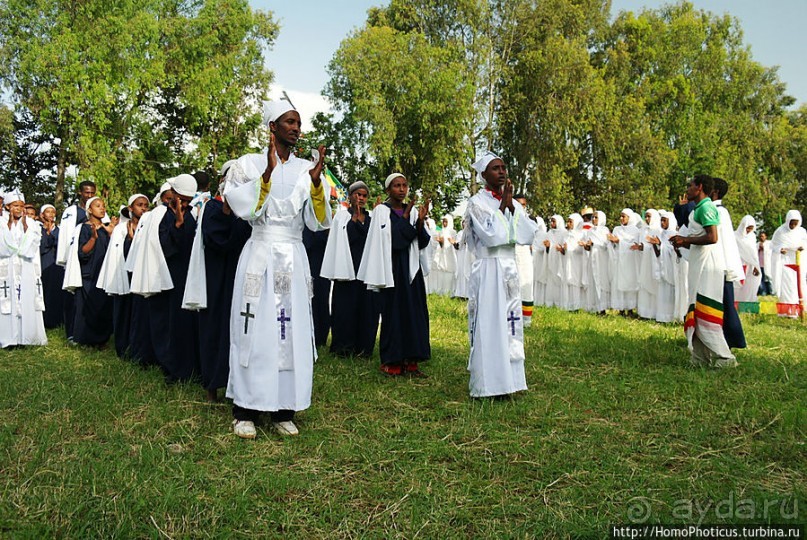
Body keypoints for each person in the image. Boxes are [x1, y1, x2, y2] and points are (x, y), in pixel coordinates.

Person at [223, 100, 332, 438]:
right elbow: (240, 206)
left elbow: (319, 221)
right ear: (272, 126)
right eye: (289, 122)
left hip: (293, 256)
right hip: (260, 255)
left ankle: (285, 409)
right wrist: (267, 173)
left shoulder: (306, 168)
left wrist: (316, 183)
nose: (297, 128)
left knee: (291, 331)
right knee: (255, 332)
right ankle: (245, 410)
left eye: (299, 123)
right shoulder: (249, 163)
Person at [463, 153, 537, 397]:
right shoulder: (477, 202)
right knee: (489, 324)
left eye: (504, 167)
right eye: (496, 169)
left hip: (508, 268)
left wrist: (508, 204)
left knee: (510, 325)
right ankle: (488, 385)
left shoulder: (512, 202)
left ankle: (510, 382)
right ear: (484, 175)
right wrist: (504, 206)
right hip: (488, 269)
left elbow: (527, 232)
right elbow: (491, 236)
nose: (502, 172)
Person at [189, 162, 252, 401]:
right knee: (216, 328)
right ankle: (212, 384)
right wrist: (227, 212)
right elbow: (217, 242)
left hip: (241, 277)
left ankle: (238, 383)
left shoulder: (246, 213)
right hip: (217, 280)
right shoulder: (212, 208)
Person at [358, 172, 431, 377]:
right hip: (392, 269)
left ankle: (412, 361)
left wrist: (419, 223)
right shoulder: (382, 211)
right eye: (397, 185)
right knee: (394, 315)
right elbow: (394, 243)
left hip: (411, 271)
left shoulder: (414, 211)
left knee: (415, 314)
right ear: (388, 189)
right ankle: (393, 361)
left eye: (404, 185)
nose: (401, 189)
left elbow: (422, 242)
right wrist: (407, 219)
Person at [670, 175, 737, 368]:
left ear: (699, 187)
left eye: (690, 186)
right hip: (699, 264)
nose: (687, 189)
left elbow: (712, 237)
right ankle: (700, 357)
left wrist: (685, 240)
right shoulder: (699, 209)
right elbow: (698, 238)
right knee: (696, 307)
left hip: (709, 266)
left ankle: (724, 357)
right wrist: (681, 243)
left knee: (705, 307)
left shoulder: (707, 208)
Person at [321, 181, 381, 357]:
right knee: (345, 310)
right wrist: (354, 219)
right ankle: (343, 347)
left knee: (367, 310)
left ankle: (364, 348)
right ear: (350, 196)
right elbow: (343, 240)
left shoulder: (371, 219)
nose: (360, 198)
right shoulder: (341, 217)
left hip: (366, 272)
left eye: (364, 195)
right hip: (346, 272)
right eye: (358, 194)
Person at [97, 194, 150, 358]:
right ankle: (122, 348)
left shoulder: (148, 227)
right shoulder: (121, 228)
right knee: (122, 313)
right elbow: (116, 255)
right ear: (130, 208)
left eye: (146, 205)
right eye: (139, 205)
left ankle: (138, 350)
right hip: (123, 277)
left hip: (139, 277)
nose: (143, 208)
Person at [0, 189, 47, 347]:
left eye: (21, 206)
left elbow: (30, 248)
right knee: (8, 300)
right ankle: (9, 339)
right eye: (15, 206)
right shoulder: (1, 223)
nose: (19, 209)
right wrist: (8, 225)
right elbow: (4, 248)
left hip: (26, 269)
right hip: (8, 268)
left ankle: (27, 337)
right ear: (7, 207)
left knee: (26, 299)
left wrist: (26, 229)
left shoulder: (31, 223)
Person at [73, 196, 117, 347]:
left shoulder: (107, 228)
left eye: (103, 206)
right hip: (89, 273)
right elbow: (82, 252)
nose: (102, 208)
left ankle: (101, 339)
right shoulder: (83, 228)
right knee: (90, 306)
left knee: (103, 306)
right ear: (89, 210)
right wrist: (93, 238)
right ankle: (86, 340)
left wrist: (111, 233)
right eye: (98, 206)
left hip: (104, 273)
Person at [57, 180, 96, 340]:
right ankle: (71, 332)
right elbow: (66, 235)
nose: (89, 195)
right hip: (75, 257)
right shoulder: (72, 211)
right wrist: (67, 259)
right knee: (72, 297)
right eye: (87, 192)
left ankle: (88, 330)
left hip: (90, 261)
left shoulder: (97, 209)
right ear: (80, 192)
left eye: (92, 193)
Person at [710, 178, 746, 349]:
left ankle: (732, 340)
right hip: (717, 265)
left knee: (725, 304)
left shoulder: (719, 212)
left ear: (714, 192)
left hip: (721, 266)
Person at [770, 210, 807, 318]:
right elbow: (773, 245)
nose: (793, 225)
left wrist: (802, 247)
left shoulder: (802, 232)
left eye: (796, 223)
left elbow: (805, 243)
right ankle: (787, 311)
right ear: (787, 221)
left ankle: (799, 310)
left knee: (798, 284)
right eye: (791, 223)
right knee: (787, 285)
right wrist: (780, 249)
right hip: (785, 261)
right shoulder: (780, 231)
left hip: (798, 259)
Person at [608, 209, 641, 314]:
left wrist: (619, 241)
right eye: (621, 216)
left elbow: (633, 245)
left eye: (624, 216)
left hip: (630, 261)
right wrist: (612, 242)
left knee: (630, 282)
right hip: (619, 259)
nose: (621, 218)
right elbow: (613, 244)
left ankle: (630, 309)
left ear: (629, 218)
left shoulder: (635, 230)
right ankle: (621, 308)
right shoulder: (617, 229)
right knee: (618, 282)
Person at [38, 204, 65, 328]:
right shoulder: (38, 230)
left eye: (53, 212)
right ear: (42, 215)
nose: (51, 215)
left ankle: (56, 321)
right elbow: (42, 248)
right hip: (44, 264)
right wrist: (48, 233)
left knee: (56, 292)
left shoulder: (60, 230)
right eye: (48, 212)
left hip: (57, 266)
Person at [636, 209, 662, 320]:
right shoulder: (642, 230)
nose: (646, 219)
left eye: (649, 216)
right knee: (644, 284)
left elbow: (661, 246)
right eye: (645, 216)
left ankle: (655, 313)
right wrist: (641, 247)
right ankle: (645, 313)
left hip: (655, 262)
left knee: (655, 286)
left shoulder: (658, 230)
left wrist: (655, 244)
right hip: (644, 261)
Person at [513, 195, 534, 326]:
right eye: (519, 204)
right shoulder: (507, 218)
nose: (522, 207)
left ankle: (526, 320)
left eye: (524, 205)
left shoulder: (529, 220)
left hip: (525, 256)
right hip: (512, 255)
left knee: (526, 284)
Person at [733, 215, 762, 307]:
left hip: (749, 265)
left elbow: (753, 253)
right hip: (737, 264)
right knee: (737, 285)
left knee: (750, 285)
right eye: (747, 228)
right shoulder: (734, 236)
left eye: (751, 228)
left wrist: (756, 266)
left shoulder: (752, 237)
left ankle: (747, 304)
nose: (748, 230)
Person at [430, 215, 458, 296]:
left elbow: (455, 243)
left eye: (446, 221)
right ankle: (441, 291)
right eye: (443, 221)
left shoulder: (453, 232)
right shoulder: (440, 230)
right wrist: (440, 242)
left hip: (450, 253)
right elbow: (440, 243)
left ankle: (450, 292)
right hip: (442, 254)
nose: (444, 223)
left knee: (450, 271)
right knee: (442, 271)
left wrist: (452, 242)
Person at [757, 231, 773, 296]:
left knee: (769, 278)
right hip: (760, 265)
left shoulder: (769, 243)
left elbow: (771, 252)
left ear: (765, 237)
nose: (761, 237)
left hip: (768, 264)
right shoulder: (757, 244)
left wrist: (764, 248)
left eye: (763, 236)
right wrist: (758, 249)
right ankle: (763, 292)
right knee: (761, 279)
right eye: (760, 236)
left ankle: (771, 291)